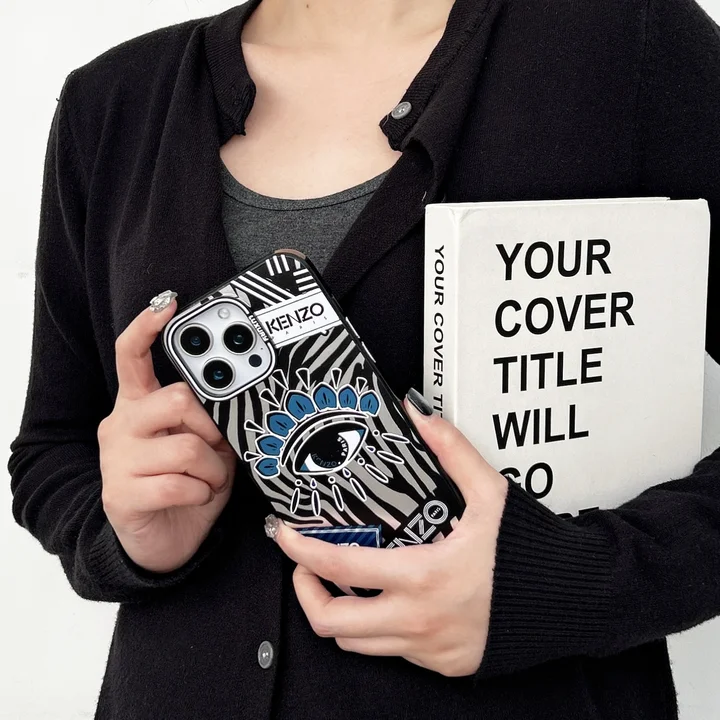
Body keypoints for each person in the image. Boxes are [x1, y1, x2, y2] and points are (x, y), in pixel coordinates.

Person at [8, 0, 720, 717]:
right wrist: (129, 534)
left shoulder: (633, 47)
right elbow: (52, 449)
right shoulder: (114, 101)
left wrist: (560, 587)